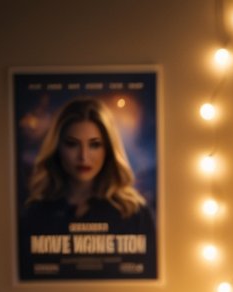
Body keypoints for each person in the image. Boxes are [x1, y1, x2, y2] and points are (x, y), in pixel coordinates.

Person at [19, 97, 155, 278]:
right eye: (72, 144)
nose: (83, 156)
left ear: (108, 149)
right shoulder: (35, 212)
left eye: (94, 145)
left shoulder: (134, 212)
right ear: (57, 147)